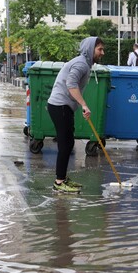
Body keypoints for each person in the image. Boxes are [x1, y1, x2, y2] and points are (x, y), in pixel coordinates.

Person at [47, 36, 105, 193]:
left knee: (68, 144)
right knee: (65, 145)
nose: (102, 52)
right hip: (60, 106)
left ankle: (63, 178)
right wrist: (84, 105)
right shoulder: (81, 64)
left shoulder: (84, 63)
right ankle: (59, 183)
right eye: (99, 49)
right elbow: (71, 84)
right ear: (90, 48)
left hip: (62, 106)